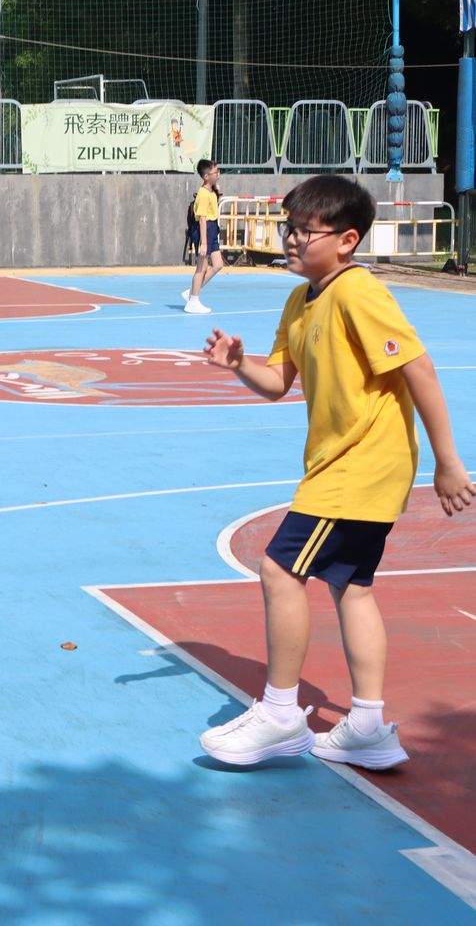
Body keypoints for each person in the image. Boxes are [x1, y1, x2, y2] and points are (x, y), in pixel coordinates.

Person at [197, 175, 475, 769]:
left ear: (348, 240)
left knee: (280, 568)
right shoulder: (301, 301)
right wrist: (239, 364)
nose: (292, 239)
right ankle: (368, 728)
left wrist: (448, 461)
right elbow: (279, 383)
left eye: (306, 231)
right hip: (346, 464)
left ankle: (280, 714)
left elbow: (419, 369)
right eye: (289, 228)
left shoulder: (357, 291)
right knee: (352, 584)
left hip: (361, 464)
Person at [183, 159, 223, 314]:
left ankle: (192, 292)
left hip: (212, 228)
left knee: (218, 265)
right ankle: (193, 301)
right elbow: (202, 219)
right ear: (206, 176)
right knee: (201, 267)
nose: (218, 175)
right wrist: (204, 243)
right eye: (215, 172)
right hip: (204, 230)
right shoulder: (203, 194)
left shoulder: (211, 191)